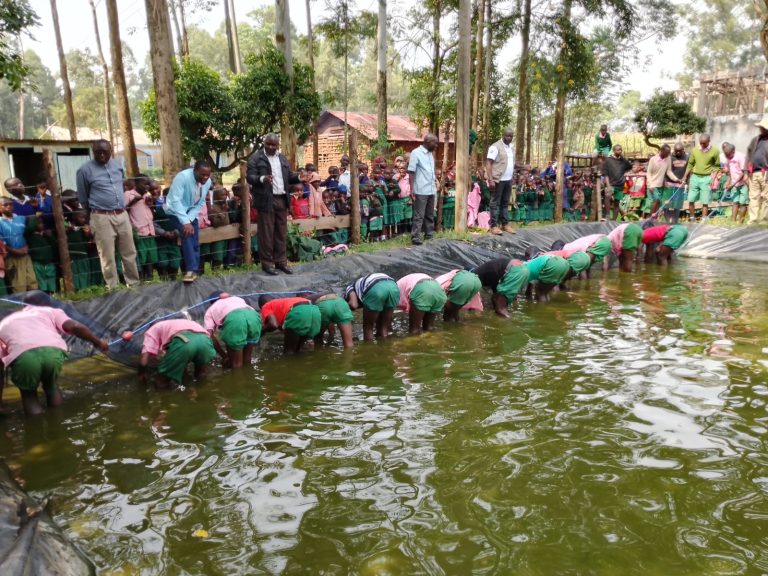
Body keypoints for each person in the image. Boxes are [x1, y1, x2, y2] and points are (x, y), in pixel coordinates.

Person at [0, 291, 108, 416]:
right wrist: (98, 342)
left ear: (23, 306)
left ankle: (37, 429)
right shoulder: (51, 311)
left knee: (29, 396)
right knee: (51, 386)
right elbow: (76, 327)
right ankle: (58, 422)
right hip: (53, 352)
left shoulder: (4, 323)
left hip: (23, 356)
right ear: (45, 304)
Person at [76, 139, 140, 290]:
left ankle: (134, 284)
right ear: (93, 152)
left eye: (105, 152)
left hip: (122, 214)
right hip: (101, 216)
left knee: (129, 251)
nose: (102, 155)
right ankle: (113, 287)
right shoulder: (84, 170)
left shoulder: (118, 166)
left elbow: (121, 186)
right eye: (98, 152)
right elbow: (83, 198)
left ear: (111, 151)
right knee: (107, 255)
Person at [246, 133, 305, 275]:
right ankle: (267, 264)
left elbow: (289, 176)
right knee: (266, 233)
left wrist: (299, 177)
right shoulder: (256, 158)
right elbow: (250, 177)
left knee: (281, 232)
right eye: (268, 144)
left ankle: (281, 262)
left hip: (282, 199)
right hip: (266, 199)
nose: (271, 147)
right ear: (264, 143)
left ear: (278, 145)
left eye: (274, 145)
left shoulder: (282, 158)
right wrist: (262, 179)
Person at [165, 160, 213, 283]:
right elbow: (175, 201)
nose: (205, 177)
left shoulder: (207, 182)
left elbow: (201, 203)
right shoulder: (183, 177)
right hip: (175, 211)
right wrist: (185, 222)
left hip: (191, 212)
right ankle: (190, 270)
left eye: (208, 175)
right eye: (202, 175)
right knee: (187, 235)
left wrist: (189, 220)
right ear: (195, 171)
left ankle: (195, 271)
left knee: (195, 242)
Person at [139, 318, 216, 388]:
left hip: (184, 342)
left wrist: (142, 374)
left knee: (161, 379)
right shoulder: (181, 322)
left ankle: (168, 400)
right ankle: (202, 393)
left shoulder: (152, 330)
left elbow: (144, 361)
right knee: (201, 372)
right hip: (205, 340)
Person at [204, 292, 262, 368]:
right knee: (247, 359)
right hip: (254, 316)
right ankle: (250, 377)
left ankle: (237, 378)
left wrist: (224, 356)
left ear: (211, 303)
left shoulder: (210, 310)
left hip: (235, 319)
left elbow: (209, 335)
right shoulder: (237, 299)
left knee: (236, 364)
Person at [344, 273, 400, 341]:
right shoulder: (361, 284)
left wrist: (347, 307)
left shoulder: (349, 288)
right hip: (393, 286)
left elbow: (354, 305)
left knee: (368, 327)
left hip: (377, 288)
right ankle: (385, 347)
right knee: (384, 327)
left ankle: (369, 349)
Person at [125, 177, 159, 281]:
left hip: (150, 230)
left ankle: (150, 278)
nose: (147, 187)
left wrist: (152, 203)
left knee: (151, 256)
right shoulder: (128, 194)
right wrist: (133, 202)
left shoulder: (147, 195)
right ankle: (141, 279)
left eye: (148, 184)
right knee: (140, 257)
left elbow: (151, 211)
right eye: (145, 184)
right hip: (139, 231)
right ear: (137, 183)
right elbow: (123, 210)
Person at [0, 196, 37, 294]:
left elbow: (28, 233)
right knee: (18, 285)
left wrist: (26, 247)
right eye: (5, 205)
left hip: (25, 255)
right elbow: (1, 242)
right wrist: (15, 251)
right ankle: (21, 307)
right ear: (0, 207)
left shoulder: (21, 218)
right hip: (11, 257)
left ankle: (33, 307)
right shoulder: (0, 222)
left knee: (32, 282)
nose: (8, 206)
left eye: (10, 204)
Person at [408, 134, 439, 245]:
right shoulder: (416, 153)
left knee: (430, 214)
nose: (436, 146)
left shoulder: (430, 154)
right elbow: (411, 172)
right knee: (419, 215)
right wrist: (411, 189)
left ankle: (429, 234)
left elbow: (430, 171)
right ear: (427, 142)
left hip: (431, 188)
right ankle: (415, 237)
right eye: (434, 143)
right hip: (420, 189)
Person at [485, 128, 517, 235]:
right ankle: (493, 226)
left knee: (505, 203)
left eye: (511, 136)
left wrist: (523, 167)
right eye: (507, 136)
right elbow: (489, 163)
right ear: (503, 135)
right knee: (494, 203)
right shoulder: (495, 147)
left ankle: (505, 224)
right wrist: (491, 179)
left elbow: (511, 163)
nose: (509, 138)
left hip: (508, 180)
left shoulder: (511, 148)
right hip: (497, 179)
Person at [683, 133, 719, 220]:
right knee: (691, 199)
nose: (702, 145)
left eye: (704, 143)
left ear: (709, 141)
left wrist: (713, 179)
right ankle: (692, 217)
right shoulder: (695, 150)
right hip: (695, 177)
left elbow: (717, 166)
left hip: (706, 178)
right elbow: (690, 164)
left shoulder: (715, 151)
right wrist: (685, 176)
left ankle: (704, 218)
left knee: (705, 200)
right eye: (700, 143)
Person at [646, 144, 682, 217]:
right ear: (661, 151)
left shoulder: (668, 158)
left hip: (661, 185)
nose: (668, 154)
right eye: (667, 152)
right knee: (656, 200)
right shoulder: (653, 159)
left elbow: (669, 172)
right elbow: (649, 173)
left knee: (659, 203)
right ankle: (651, 218)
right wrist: (650, 185)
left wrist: (677, 179)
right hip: (653, 184)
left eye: (669, 152)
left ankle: (654, 218)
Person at [25, 216, 57, 294]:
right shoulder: (31, 237)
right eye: (39, 223)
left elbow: (54, 246)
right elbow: (29, 229)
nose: (42, 224)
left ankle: (52, 297)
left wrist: (50, 237)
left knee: (51, 283)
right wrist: (33, 220)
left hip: (49, 263)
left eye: (42, 223)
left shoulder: (46, 236)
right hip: (38, 264)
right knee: (41, 284)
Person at [719, 142, 748, 223]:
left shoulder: (741, 157)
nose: (727, 157)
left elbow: (743, 173)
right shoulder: (728, 159)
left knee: (742, 203)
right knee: (735, 202)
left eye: (728, 155)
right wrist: (728, 182)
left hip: (743, 184)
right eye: (726, 155)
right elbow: (730, 173)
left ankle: (740, 223)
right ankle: (733, 222)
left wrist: (732, 184)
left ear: (733, 151)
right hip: (734, 185)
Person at [746, 118, 768, 224]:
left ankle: (764, 220)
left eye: (763, 128)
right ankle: (753, 219)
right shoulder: (756, 139)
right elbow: (749, 153)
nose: (761, 129)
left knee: (766, 197)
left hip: (765, 172)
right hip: (754, 172)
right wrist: (747, 169)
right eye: (760, 127)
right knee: (753, 196)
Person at [602, 145, 632, 220]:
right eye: (618, 150)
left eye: (620, 150)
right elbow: (605, 174)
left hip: (620, 184)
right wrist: (608, 185)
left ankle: (614, 219)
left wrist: (624, 173)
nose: (619, 151)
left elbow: (629, 167)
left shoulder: (623, 161)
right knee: (607, 196)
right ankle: (608, 215)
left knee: (617, 202)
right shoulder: (608, 160)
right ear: (614, 151)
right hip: (611, 184)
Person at [665, 143, 689, 223]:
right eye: (676, 151)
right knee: (667, 203)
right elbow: (666, 171)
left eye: (679, 151)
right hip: (669, 183)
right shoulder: (669, 157)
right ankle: (667, 220)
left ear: (683, 150)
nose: (678, 153)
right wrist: (665, 182)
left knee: (677, 204)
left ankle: (675, 220)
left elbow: (688, 171)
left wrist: (687, 183)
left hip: (680, 184)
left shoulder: (687, 157)